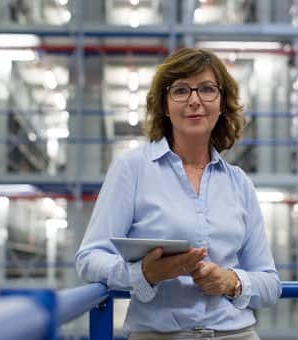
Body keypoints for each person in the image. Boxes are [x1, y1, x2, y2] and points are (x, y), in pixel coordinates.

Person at [75, 48, 281, 339]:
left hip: (236, 333)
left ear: (222, 103)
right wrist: (143, 274)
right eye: (181, 90)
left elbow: (270, 283)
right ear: (164, 104)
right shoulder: (132, 169)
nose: (195, 100)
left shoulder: (239, 183)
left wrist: (231, 281)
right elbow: (89, 258)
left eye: (207, 89)